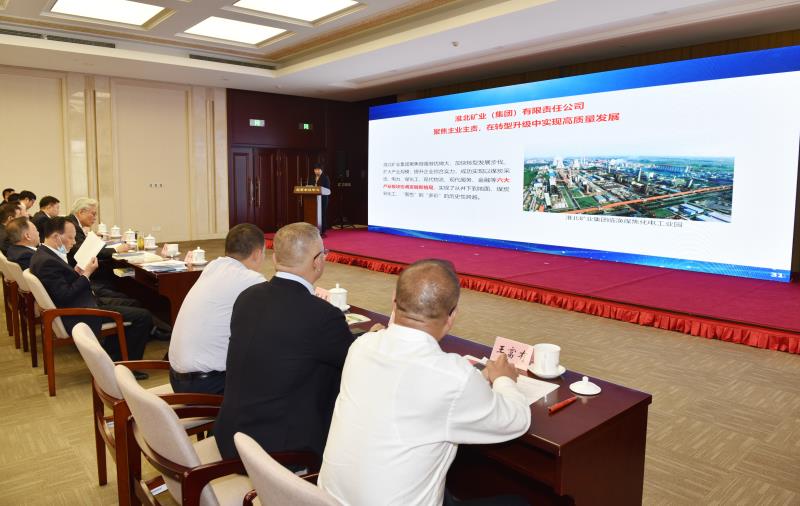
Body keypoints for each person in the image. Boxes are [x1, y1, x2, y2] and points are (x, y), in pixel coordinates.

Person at [318, 259, 532, 506]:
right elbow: (516, 420)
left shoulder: (362, 346)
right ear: (452, 316)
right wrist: (504, 378)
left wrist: (474, 382)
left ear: (394, 302)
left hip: (328, 501)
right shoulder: (452, 376)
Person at [214, 222, 355, 460]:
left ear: (275, 258)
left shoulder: (247, 297)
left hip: (231, 436)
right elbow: (354, 363)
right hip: (274, 453)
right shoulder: (322, 315)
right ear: (318, 261)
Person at [29, 217, 153, 379]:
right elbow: (65, 296)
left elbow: (61, 285)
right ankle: (128, 368)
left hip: (82, 303)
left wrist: (77, 272)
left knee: (134, 304)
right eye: (71, 238)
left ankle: (113, 359)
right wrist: (86, 274)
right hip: (79, 313)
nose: (74, 242)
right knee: (143, 316)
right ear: (56, 237)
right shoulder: (47, 262)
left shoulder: (43, 254)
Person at [168, 224, 267, 395]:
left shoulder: (212, 266)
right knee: (274, 376)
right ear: (258, 253)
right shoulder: (251, 279)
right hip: (204, 386)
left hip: (177, 379)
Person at [67, 197, 129, 264]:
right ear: (81, 212)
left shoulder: (71, 221)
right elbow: (87, 253)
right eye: (93, 214)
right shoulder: (72, 226)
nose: (95, 218)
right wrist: (116, 249)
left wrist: (91, 237)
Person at [307, 164, 331, 236]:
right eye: (315, 170)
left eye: (318, 169)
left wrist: (319, 189)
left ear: (321, 170)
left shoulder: (325, 178)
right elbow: (309, 186)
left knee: (322, 214)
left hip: (323, 199)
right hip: (313, 199)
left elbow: (327, 189)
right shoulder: (311, 178)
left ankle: (322, 230)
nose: (316, 171)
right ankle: (312, 230)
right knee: (313, 214)